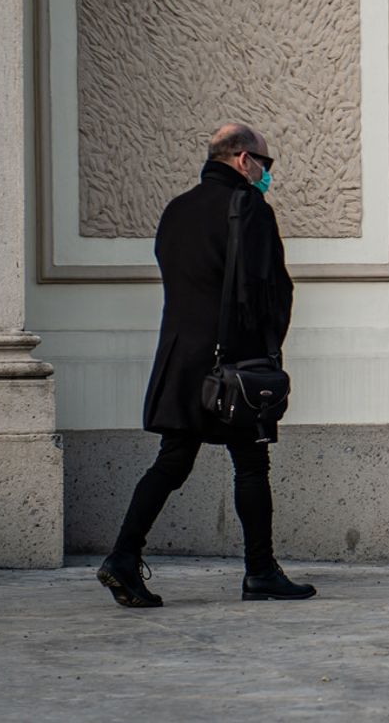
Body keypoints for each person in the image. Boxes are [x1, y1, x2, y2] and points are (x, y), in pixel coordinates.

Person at [97, 123, 314, 608]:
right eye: (265, 163)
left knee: (172, 462)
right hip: (234, 363)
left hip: (181, 361)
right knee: (251, 464)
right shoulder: (249, 207)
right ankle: (260, 571)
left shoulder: (176, 210)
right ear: (242, 159)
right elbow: (268, 290)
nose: (266, 173)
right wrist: (268, 354)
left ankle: (123, 557)